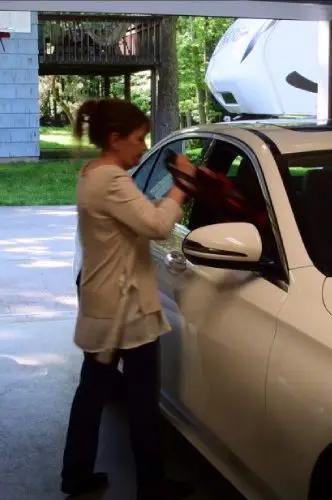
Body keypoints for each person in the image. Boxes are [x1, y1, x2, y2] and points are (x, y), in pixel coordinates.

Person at [60, 98, 196, 500]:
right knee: (140, 403)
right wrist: (181, 187)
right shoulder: (113, 181)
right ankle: (151, 487)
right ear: (115, 139)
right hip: (126, 309)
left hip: (106, 303)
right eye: (138, 139)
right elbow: (156, 225)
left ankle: (77, 475)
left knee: (94, 396)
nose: (143, 146)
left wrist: (159, 201)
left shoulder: (95, 174)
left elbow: (133, 219)